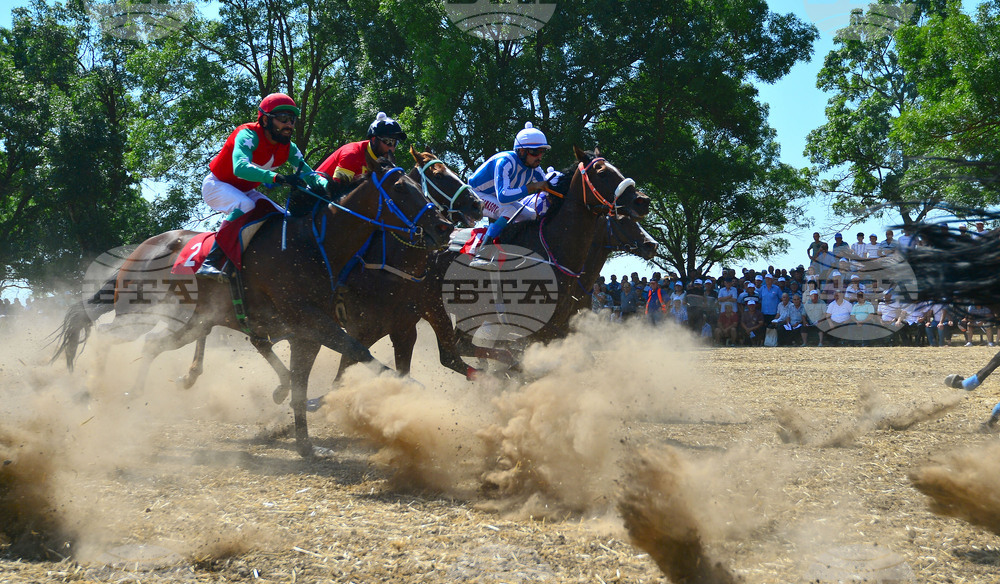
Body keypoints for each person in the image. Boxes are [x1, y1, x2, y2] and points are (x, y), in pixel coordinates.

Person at [197, 93, 329, 281]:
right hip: (216, 185)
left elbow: (309, 175)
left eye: (292, 120)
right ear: (265, 120)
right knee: (246, 206)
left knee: (284, 218)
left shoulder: (289, 148)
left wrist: (330, 186)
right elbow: (240, 168)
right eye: (283, 119)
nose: (289, 125)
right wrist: (277, 177)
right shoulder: (247, 134)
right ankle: (210, 261)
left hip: (246, 191)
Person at [468, 122, 561, 268]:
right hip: (475, 196)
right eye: (535, 152)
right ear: (522, 151)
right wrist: (531, 187)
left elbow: (550, 188)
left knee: (531, 215)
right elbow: (503, 196)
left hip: (498, 199)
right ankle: (482, 252)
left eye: (542, 152)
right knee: (509, 211)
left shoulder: (535, 169)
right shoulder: (506, 161)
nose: (540, 157)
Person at [315, 111, 407, 184]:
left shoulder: (385, 161)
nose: (392, 148)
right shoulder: (352, 154)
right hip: (316, 196)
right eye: (389, 142)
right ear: (374, 140)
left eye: (396, 143)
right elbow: (337, 194)